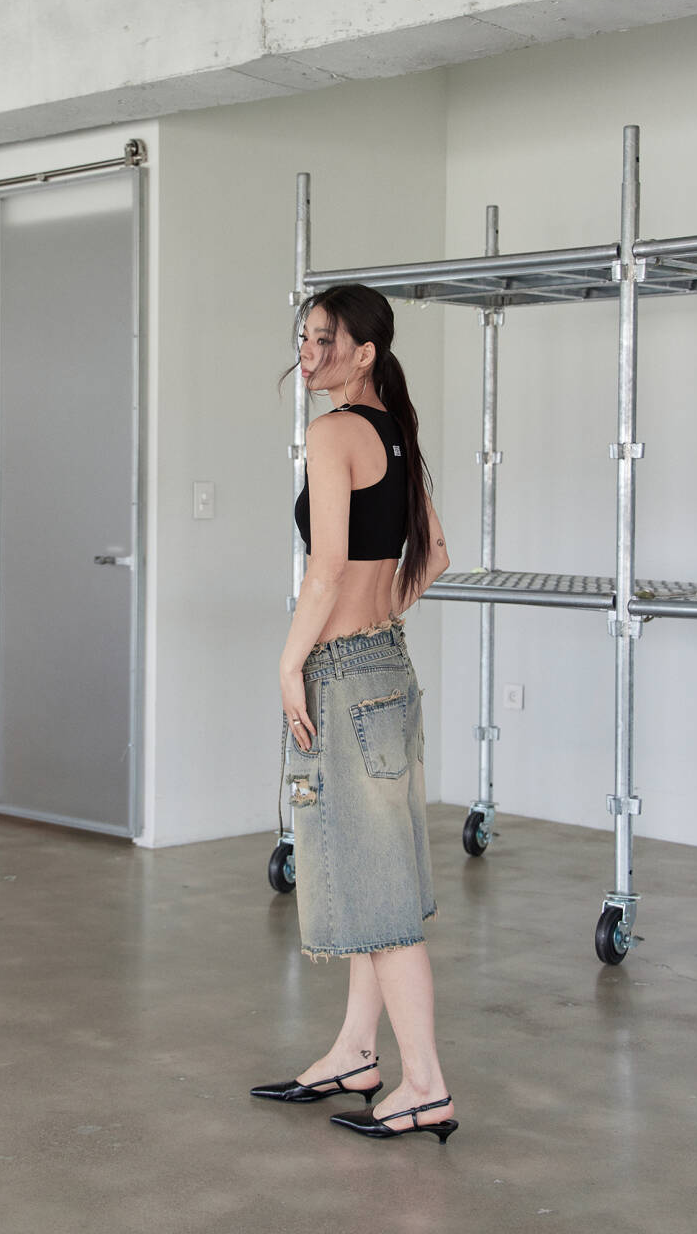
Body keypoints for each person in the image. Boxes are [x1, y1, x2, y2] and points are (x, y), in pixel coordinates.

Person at [250, 284, 457, 1144]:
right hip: (389, 669)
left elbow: (327, 566)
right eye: (303, 338)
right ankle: (354, 1055)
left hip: (342, 676)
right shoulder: (395, 431)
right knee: (382, 876)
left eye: (325, 340)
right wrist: (379, 624)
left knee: (375, 890)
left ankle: (426, 1086)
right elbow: (434, 554)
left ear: (365, 352)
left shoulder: (334, 432)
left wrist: (292, 660)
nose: (308, 355)